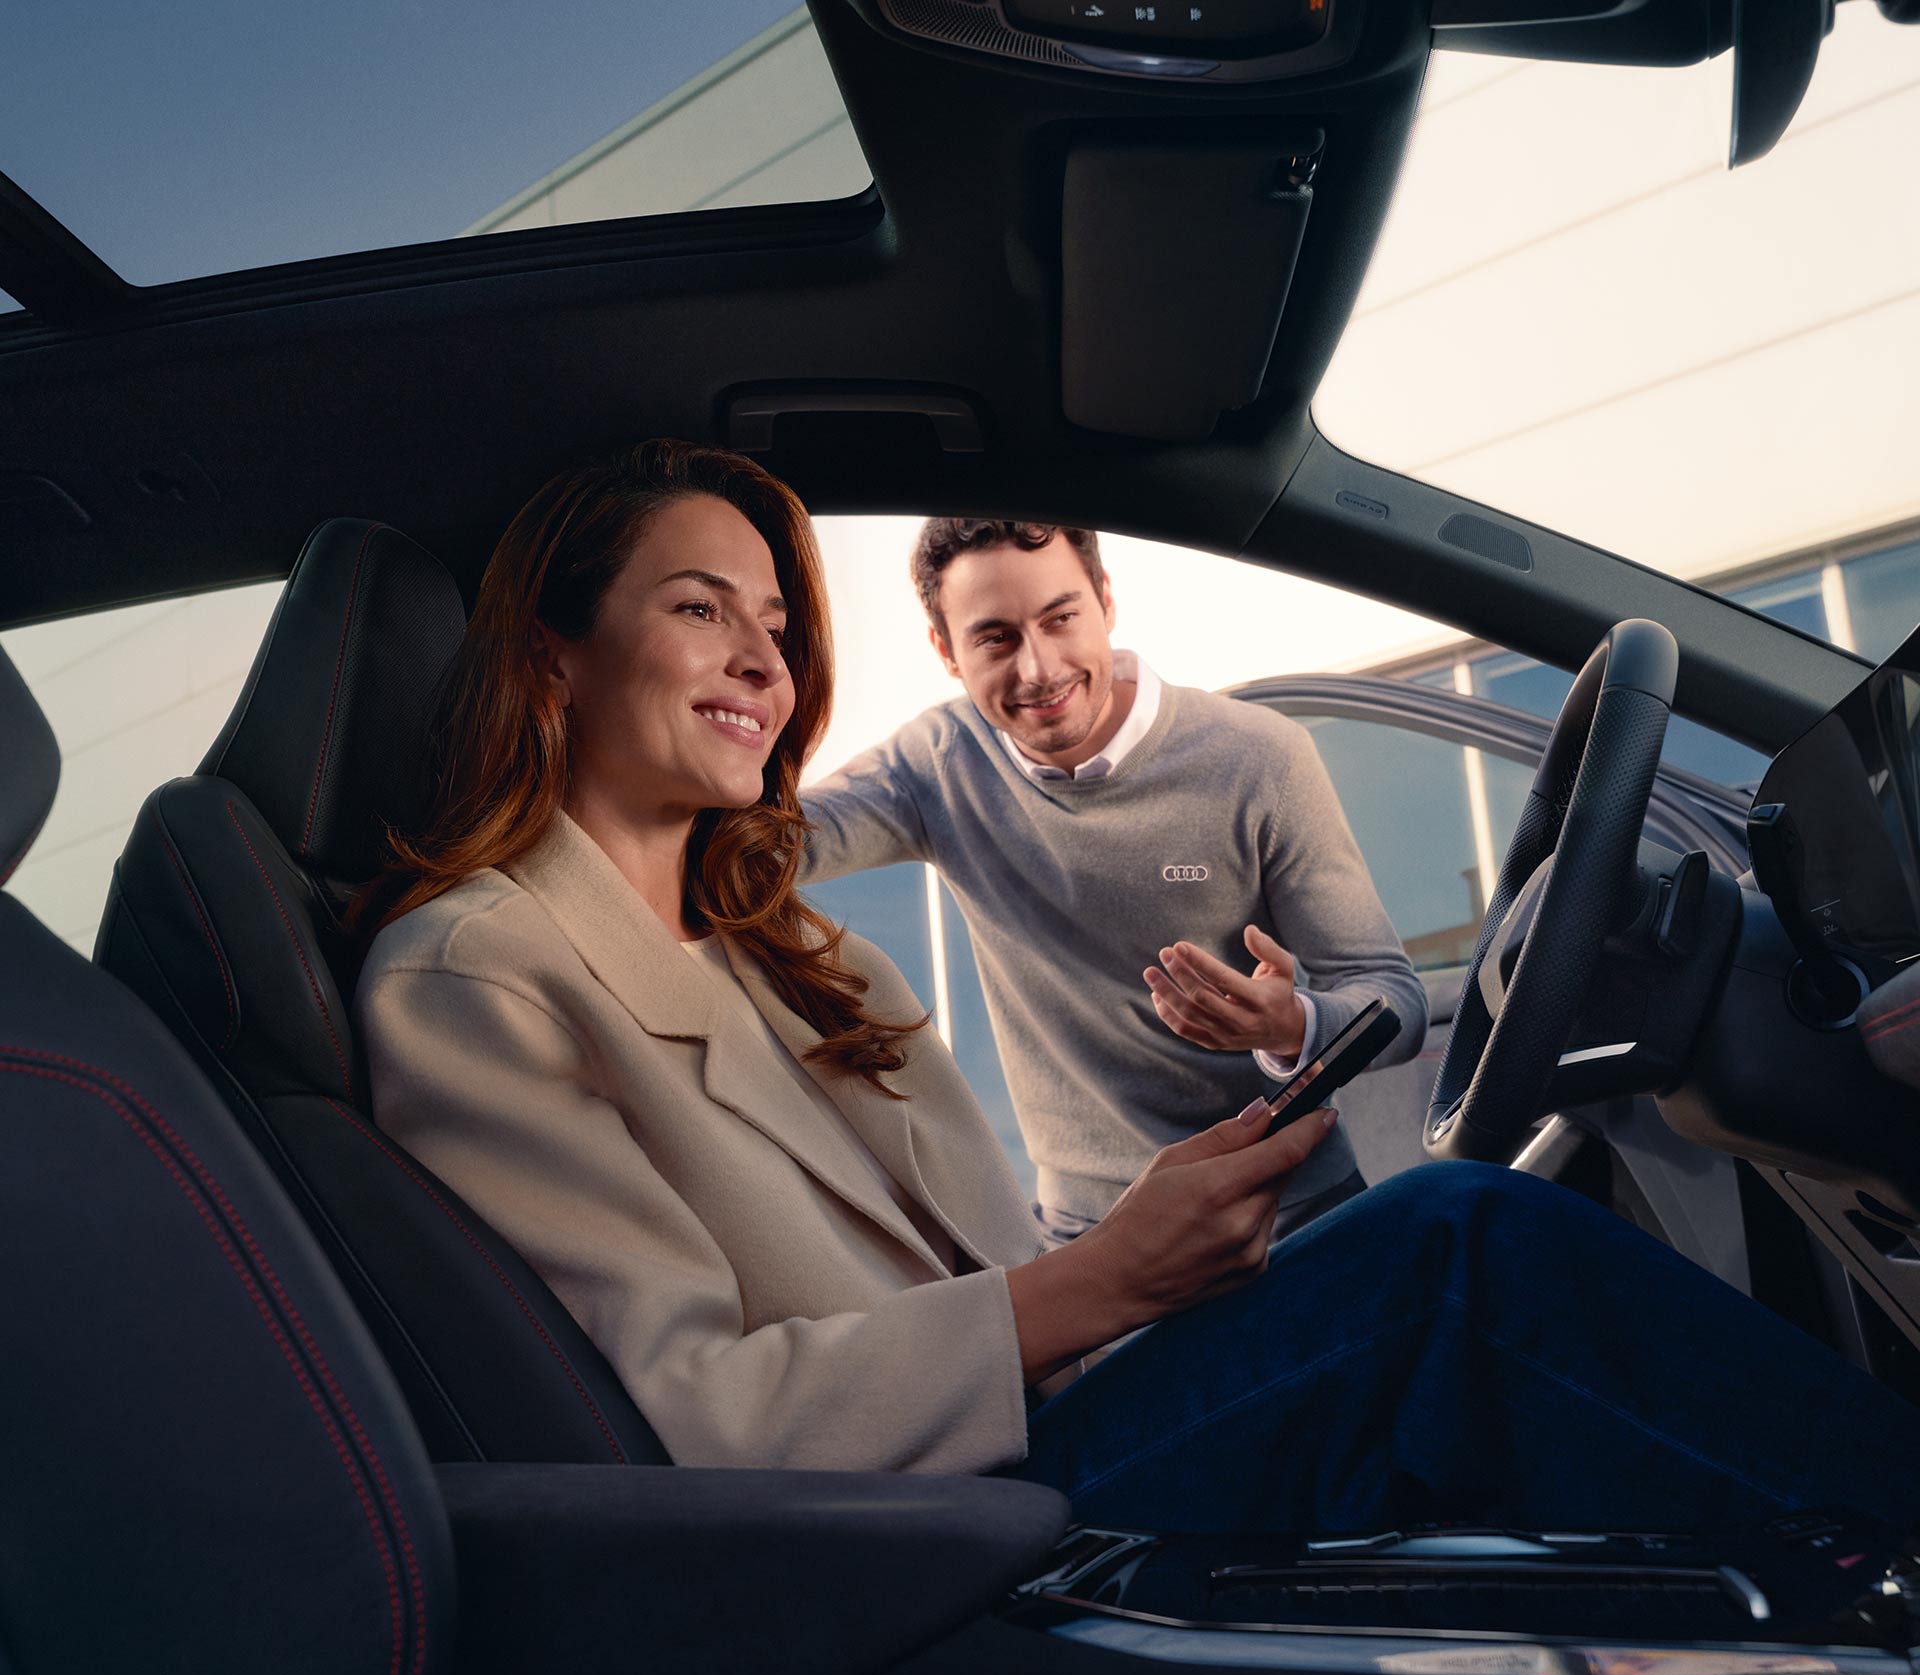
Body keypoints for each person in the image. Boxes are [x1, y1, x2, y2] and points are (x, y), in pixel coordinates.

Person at [354, 441, 1920, 1539]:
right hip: (936, 1543)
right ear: (550, 656)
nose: (766, 661)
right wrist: (1103, 1282)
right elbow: (690, 1425)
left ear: (1108, 608)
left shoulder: (799, 961)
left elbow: (1366, 990)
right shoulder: (480, 973)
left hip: (1072, 1383)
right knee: (1461, 1249)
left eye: (775, 622)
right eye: (702, 608)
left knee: (1461, 1267)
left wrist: (1200, 1170)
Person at [800, 519, 1426, 1252]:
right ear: (945, 650)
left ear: (1104, 599)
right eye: (996, 638)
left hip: (1290, 1212)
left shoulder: (1261, 758)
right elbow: (767, 845)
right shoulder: (936, 764)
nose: (1039, 668)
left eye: (1060, 618)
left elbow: (1398, 1002)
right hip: (1088, 1236)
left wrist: (1291, 1027)